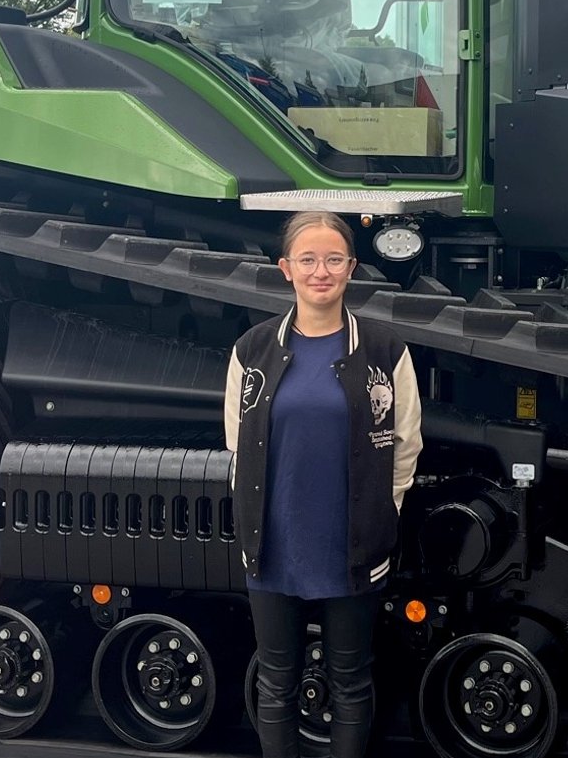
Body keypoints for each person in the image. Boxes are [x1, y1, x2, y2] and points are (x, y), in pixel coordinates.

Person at [224, 211, 422, 758]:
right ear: (285, 269)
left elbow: (405, 444)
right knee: (276, 682)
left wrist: (383, 510)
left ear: (352, 268)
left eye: (334, 259)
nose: (321, 272)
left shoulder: (383, 350)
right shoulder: (251, 350)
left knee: (351, 682)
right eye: (307, 260)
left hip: (350, 544)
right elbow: (239, 448)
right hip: (274, 544)